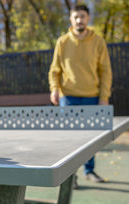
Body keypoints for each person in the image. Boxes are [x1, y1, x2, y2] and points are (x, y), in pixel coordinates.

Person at [48, 4, 112, 189]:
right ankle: (70, 175)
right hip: (68, 98)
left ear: (88, 18)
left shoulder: (98, 41)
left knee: (89, 139)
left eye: (82, 16)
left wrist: (104, 96)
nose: (79, 20)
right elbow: (55, 70)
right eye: (76, 17)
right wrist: (54, 89)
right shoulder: (62, 42)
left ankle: (89, 171)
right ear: (71, 19)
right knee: (69, 139)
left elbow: (106, 71)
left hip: (92, 96)